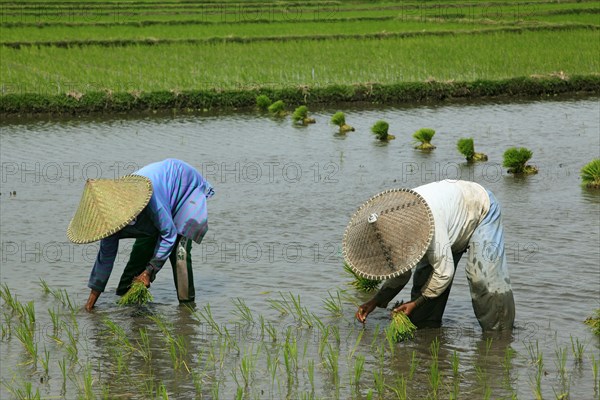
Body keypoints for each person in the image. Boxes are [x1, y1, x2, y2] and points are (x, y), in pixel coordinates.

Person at [342, 180, 515, 331]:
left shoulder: (428, 223)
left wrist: (415, 303)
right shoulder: (390, 232)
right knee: (423, 291)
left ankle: (500, 339)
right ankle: (428, 335)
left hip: (479, 207)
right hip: (450, 220)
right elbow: (401, 274)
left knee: (483, 280)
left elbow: (444, 272)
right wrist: (375, 301)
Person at [67, 158, 214, 311]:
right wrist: (90, 304)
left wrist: (149, 271)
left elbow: (169, 234)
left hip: (183, 188)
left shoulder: (150, 199)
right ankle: (125, 296)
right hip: (157, 199)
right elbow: (105, 260)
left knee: (179, 253)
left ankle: (186, 310)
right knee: (143, 247)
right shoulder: (109, 221)